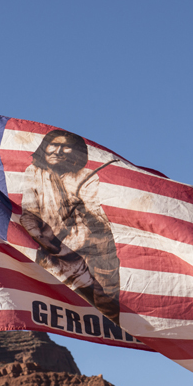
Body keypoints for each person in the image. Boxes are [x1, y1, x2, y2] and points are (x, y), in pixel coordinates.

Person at [20, 129, 121, 324]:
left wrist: (83, 208)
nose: (58, 151)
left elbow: (99, 219)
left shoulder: (87, 177)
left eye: (65, 147)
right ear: (44, 148)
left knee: (105, 309)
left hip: (92, 249)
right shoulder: (33, 172)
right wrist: (37, 236)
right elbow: (30, 212)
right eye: (53, 145)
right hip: (50, 247)